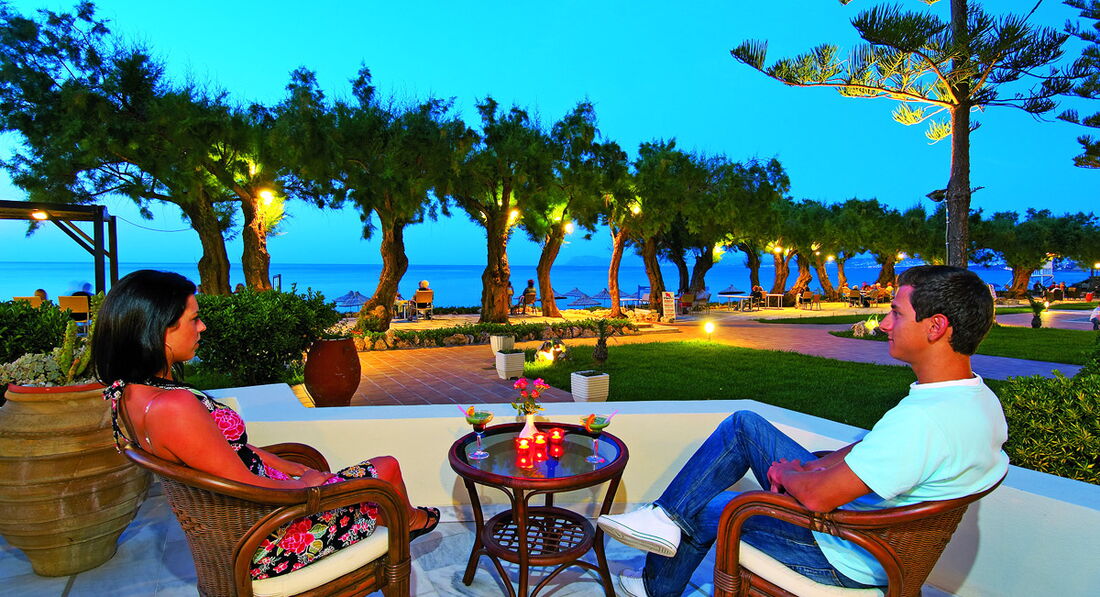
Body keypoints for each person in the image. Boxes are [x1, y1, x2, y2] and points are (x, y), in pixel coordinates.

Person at [599, 265, 1008, 597]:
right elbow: (867, 450)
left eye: (897, 313)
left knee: (713, 508)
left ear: (936, 327)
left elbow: (816, 497)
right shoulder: (974, 399)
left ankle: (655, 586)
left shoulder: (925, 421)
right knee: (745, 425)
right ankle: (664, 516)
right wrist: (811, 467)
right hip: (870, 531)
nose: (885, 324)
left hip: (848, 554)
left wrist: (789, 474)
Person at [91, 270, 439, 581]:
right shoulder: (173, 407)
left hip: (255, 518)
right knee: (386, 474)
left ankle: (403, 522)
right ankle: (405, 525)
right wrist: (305, 486)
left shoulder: (131, 394)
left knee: (376, 478)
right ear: (158, 329)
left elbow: (229, 453)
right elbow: (242, 483)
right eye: (193, 319)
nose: (202, 327)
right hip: (271, 539)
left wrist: (294, 468)